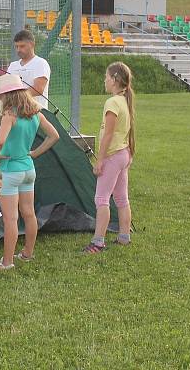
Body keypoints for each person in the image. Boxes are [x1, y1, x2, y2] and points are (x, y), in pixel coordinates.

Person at [0, 73, 59, 269]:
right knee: (29, 213)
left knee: (11, 218)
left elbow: (0, 141)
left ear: (7, 95)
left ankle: (8, 261)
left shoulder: (9, 115)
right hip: (29, 169)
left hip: (10, 170)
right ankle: (27, 253)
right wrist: (35, 153)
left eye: (1, 96)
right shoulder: (36, 112)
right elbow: (54, 136)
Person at [83, 61, 136, 254]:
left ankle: (98, 242)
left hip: (114, 156)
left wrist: (100, 160)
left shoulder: (113, 102)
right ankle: (124, 237)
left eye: (106, 77)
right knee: (122, 198)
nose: (104, 81)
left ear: (114, 80)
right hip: (124, 154)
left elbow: (108, 134)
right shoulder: (123, 100)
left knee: (101, 199)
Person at [7, 29, 51, 109]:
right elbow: (6, 88)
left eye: (22, 46)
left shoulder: (41, 63)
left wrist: (16, 97)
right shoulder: (13, 66)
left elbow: (38, 89)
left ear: (32, 44)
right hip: (15, 113)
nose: (18, 50)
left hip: (36, 114)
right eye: (16, 46)